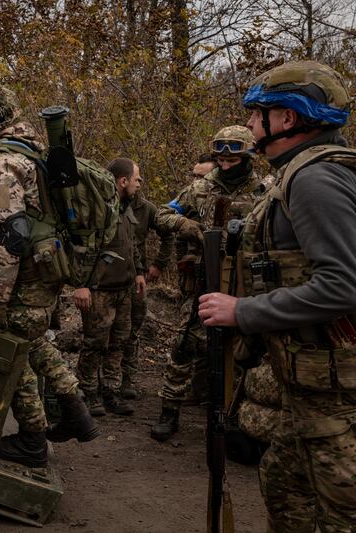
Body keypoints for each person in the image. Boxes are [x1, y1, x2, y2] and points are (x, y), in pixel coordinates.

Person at [199, 60, 356, 531]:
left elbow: (343, 284)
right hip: (311, 384)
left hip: (335, 392)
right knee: (285, 484)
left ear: (288, 117)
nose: (250, 125)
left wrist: (243, 311)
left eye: (257, 114)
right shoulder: (303, 173)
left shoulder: (315, 179)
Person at [0, 71, 99, 468]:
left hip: (23, 276)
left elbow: (14, 236)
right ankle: (76, 410)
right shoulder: (28, 146)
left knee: (10, 348)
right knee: (35, 339)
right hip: (46, 270)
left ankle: (32, 439)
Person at [150, 125, 263, 442]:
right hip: (204, 279)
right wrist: (186, 224)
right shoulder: (200, 188)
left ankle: (236, 416)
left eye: (233, 161)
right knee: (184, 343)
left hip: (244, 283)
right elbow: (162, 215)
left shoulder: (263, 191)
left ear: (248, 158)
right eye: (221, 160)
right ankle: (169, 411)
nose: (225, 166)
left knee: (244, 351)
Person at [76, 157, 144, 416]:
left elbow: (131, 244)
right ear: (123, 181)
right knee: (95, 343)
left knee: (118, 343)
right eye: (136, 179)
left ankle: (110, 392)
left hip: (124, 289)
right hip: (99, 289)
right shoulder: (99, 208)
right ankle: (88, 393)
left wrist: (138, 273)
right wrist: (81, 285)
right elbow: (83, 247)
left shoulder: (126, 207)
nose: (139, 184)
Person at [121, 174, 175, 399]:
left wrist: (159, 264)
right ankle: (104, 382)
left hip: (137, 277)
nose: (140, 182)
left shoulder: (146, 208)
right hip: (108, 278)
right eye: (136, 178)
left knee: (133, 329)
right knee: (107, 331)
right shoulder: (105, 203)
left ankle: (127, 380)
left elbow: (167, 236)